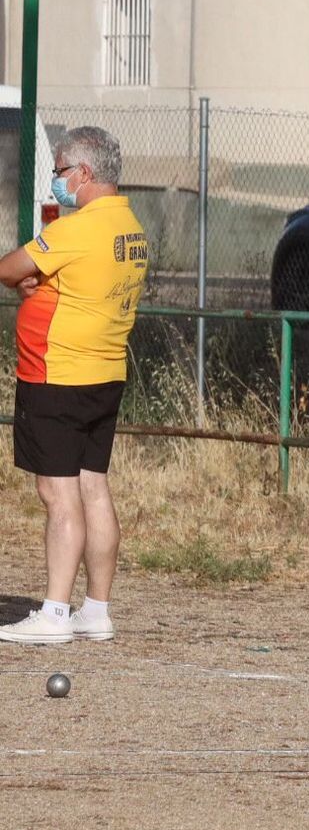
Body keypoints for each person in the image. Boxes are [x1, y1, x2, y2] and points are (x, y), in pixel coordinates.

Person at [0, 126, 147, 644]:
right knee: (93, 487)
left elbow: (9, 268)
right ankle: (96, 610)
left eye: (60, 170)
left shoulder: (75, 230)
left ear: (84, 172)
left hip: (57, 374)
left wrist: (27, 281)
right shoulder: (130, 227)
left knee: (57, 494)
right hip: (105, 373)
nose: (56, 180)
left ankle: (55, 613)